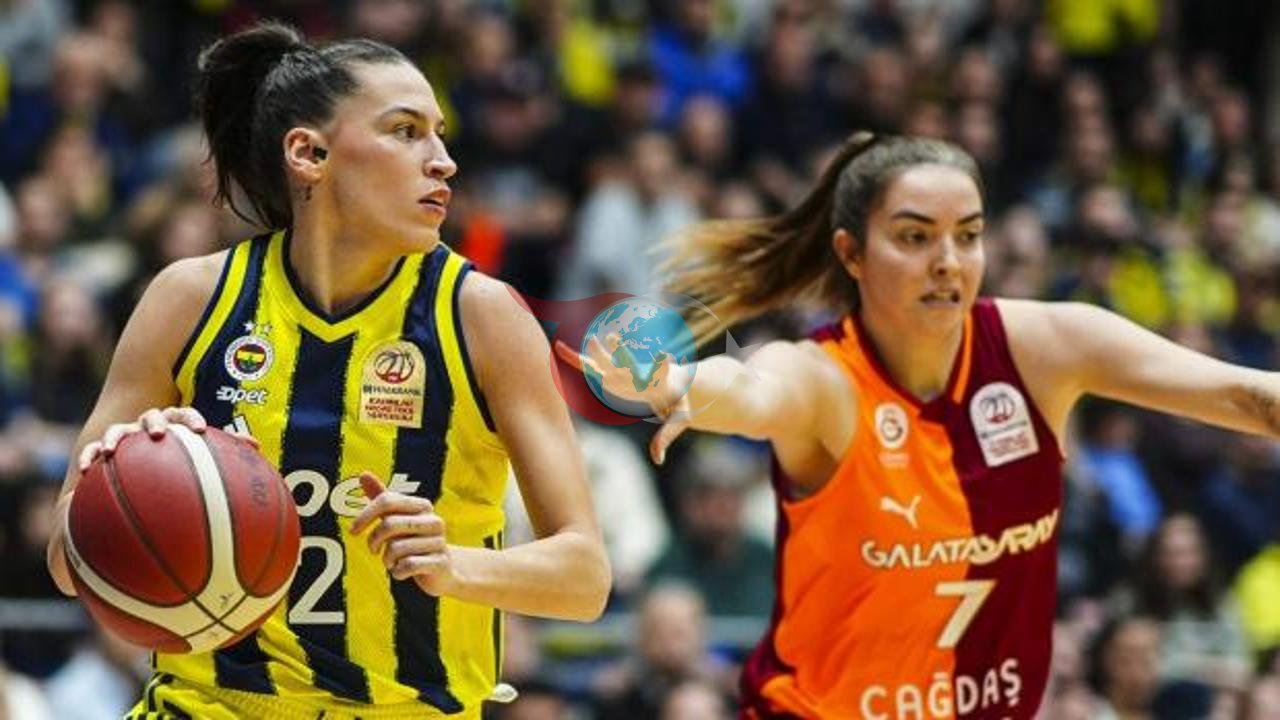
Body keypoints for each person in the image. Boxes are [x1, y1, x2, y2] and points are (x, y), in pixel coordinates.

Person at [557, 132, 1280, 718]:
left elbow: (1247, 396)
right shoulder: (826, 380)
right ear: (852, 253)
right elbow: (751, 387)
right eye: (915, 236)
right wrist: (682, 384)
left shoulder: (1046, 349)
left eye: (969, 235)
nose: (947, 263)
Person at [45, 22, 610, 719]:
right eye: (405, 132)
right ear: (309, 154)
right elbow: (66, 564)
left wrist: (455, 564)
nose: (442, 162)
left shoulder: (481, 316)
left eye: (440, 136)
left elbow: (585, 577)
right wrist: (129, 476)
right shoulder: (190, 300)